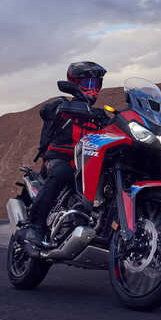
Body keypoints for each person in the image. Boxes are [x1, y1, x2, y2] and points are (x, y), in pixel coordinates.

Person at [17, 61, 107, 247]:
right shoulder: (62, 104)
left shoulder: (99, 115)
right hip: (59, 158)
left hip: (86, 162)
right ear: (75, 83)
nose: (94, 89)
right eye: (89, 84)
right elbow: (45, 111)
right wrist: (59, 109)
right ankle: (35, 226)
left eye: (97, 84)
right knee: (62, 173)